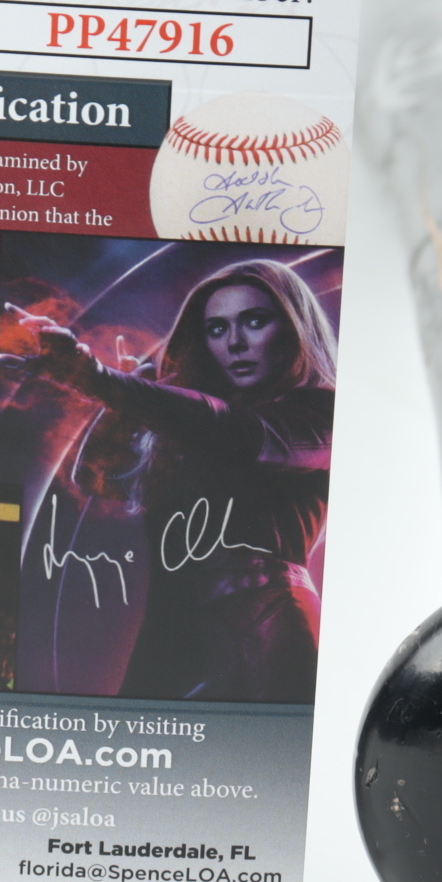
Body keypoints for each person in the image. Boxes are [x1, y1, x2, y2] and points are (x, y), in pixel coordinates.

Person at [29, 258, 336, 703]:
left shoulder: (322, 413)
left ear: (293, 328)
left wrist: (100, 379)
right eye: (217, 328)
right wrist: (130, 395)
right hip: (169, 632)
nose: (235, 342)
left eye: (255, 321)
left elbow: (234, 430)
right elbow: (99, 476)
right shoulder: (189, 420)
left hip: (264, 626)